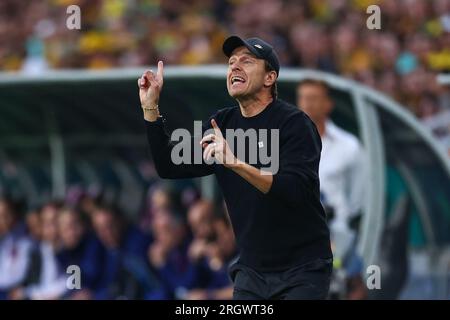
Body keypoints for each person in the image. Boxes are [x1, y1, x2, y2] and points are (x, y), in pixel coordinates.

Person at [139, 36, 332, 299]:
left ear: (269, 78)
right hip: (251, 272)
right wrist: (150, 107)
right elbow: (169, 165)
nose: (235, 67)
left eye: (247, 61)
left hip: (302, 270)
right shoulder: (222, 124)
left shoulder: (295, 124)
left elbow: (294, 190)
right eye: (231, 62)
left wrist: (236, 163)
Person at [297, 79, 366, 233]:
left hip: (336, 237)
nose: (307, 103)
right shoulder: (284, 142)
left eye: (313, 98)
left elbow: (358, 200)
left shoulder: (349, 145)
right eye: (303, 98)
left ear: (328, 104)